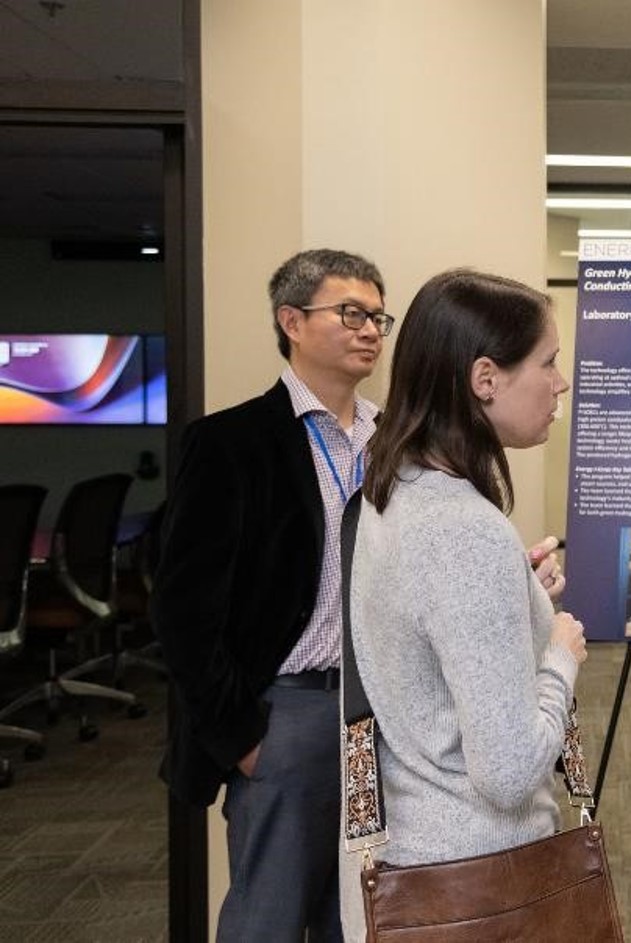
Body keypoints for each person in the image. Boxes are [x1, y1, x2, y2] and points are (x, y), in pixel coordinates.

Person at [339, 268, 587, 940]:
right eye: (548, 361)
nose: (560, 382)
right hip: (477, 880)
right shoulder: (464, 528)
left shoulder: (392, 490)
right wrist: (560, 654)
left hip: (417, 857)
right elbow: (507, 772)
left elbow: (427, 639)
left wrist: (520, 590)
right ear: (486, 378)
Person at [152, 248, 390, 940]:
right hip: (286, 714)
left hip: (379, 715)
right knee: (272, 920)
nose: (370, 328)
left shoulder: (396, 441)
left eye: (379, 315)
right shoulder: (231, 441)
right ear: (291, 319)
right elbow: (182, 607)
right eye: (351, 312)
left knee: (362, 917)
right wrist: (243, 737)